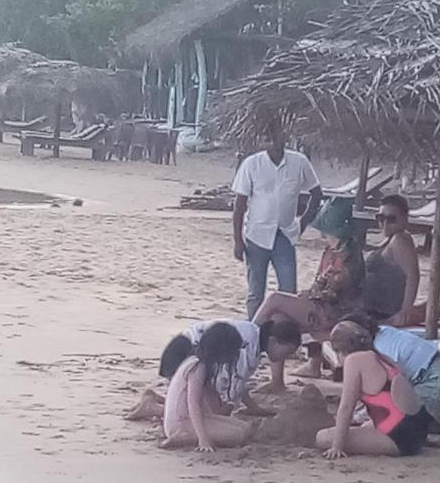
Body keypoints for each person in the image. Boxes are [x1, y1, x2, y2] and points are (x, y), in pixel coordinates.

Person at [252, 196, 366, 391]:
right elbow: (321, 284)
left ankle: (250, 336)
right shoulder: (333, 251)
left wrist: (309, 295)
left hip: (336, 311)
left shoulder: (350, 258)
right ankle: (277, 381)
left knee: (275, 299)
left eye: (325, 232)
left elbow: (334, 291)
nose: (322, 236)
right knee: (279, 317)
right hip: (324, 305)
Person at [126, 319, 302, 421]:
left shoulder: (253, 334)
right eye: (286, 352)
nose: (284, 358)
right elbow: (231, 388)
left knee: (207, 406)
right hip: (182, 357)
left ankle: (156, 399)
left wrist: (252, 407)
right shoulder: (248, 347)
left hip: (183, 351)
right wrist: (223, 413)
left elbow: (238, 384)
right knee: (207, 415)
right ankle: (153, 408)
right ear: (274, 341)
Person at [232, 123, 324, 319]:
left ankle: (282, 333)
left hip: (285, 235)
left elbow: (316, 193)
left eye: (276, 137)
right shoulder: (251, 164)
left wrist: (303, 222)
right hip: (256, 236)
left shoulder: (299, 162)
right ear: (262, 141)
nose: (272, 142)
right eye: (267, 138)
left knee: (288, 291)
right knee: (255, 292)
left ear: (284, 137)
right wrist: (238, 240)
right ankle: (255, 334)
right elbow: (239, 204)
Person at [316, 320, 429, 459]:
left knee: (323, 437)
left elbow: (346, 407)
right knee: (365, 425)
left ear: (338, 350)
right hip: (419, 432)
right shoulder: (382, 357)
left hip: (399, 439)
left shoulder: (353, 360)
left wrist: (337, 446)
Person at [341, 312, 440, 433]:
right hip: (436, 373)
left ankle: (438, 430)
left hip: (435, 381)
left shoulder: (382, 348)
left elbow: (390, 389)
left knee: (394, 422)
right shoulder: (383, 332)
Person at [161, 322, 254, 451]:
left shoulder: (202, 364)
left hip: (186, 419)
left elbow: (210, 399)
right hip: (181, 422)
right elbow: (193, 403)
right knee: (239, 435)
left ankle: (189, 435)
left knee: (245, 428)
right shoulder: (198, 367)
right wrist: (203, 438)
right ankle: (183, 438)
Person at [374, 194, 440, 328]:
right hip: (380, 305)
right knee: (438, 304)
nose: (384, 223)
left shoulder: (400, 240)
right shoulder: (391, 239)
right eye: (381, 218)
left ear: (404, 219)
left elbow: (412, 274)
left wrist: (406, 309)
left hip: (384, 311)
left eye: (391, 219)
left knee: (437, 305)